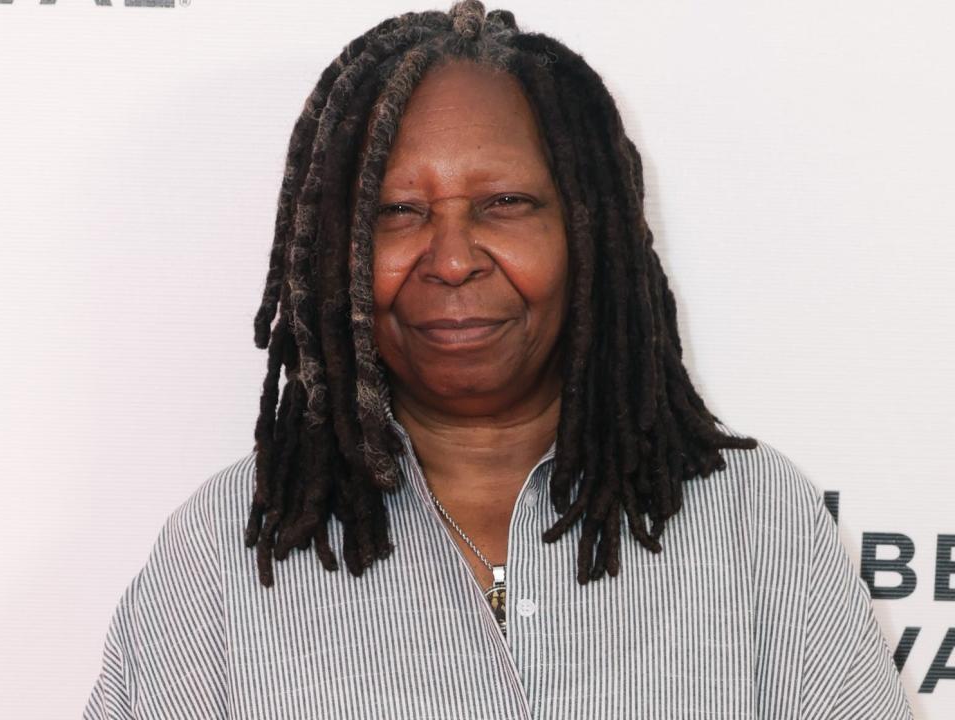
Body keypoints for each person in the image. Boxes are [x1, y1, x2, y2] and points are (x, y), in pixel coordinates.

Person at [84, 2, 914, 718]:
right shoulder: (225, 558)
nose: (451, 259)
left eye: (505, 204)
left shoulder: (760, 530)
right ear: (334, 247)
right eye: (399, 211)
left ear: (591, 231)